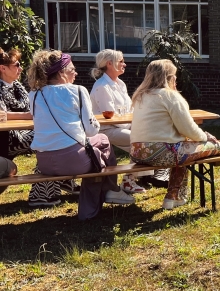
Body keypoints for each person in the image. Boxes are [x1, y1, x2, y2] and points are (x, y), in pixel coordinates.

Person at [129, 59, 220, 210]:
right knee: (204, 145)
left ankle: (173, 197)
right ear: (169, 77)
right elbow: (188, 128)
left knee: (183, 149)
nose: (176, 79)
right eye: (174, 76)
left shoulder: (140, 96)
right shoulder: (169, 96)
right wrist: (205, 137)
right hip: (161, 153)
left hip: (138, 153)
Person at [27, 50, 132, 219]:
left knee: (95, 155)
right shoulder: (77, 90)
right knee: (101, 146)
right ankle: (110, 191)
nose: (76, 73)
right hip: (72, 162)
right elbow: (91, 130)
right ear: (61, 73)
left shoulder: (34, 93)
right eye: (72, 70)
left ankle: (107, 194)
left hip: (44, 162)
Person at [89, 49, 169, 193]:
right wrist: (137, 127)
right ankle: (129, 180)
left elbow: (130, 110)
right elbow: (111, 117)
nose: (124, 64)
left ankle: (141, 176)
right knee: (141, 143)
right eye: (121, 61)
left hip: (122, 126)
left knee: (150, 139)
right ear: (109, 64)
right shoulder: (102, 87)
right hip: (105, 130)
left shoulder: (120, 84)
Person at [0, 48, 34, 197]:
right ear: (3, 68)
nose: (20, 69)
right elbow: (1, 115)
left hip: (24, 131)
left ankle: (51, 183)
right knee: (49, 139)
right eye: (17, 65)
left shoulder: (18, 87)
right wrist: (27, 116)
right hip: (8, 137)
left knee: (52, 137)